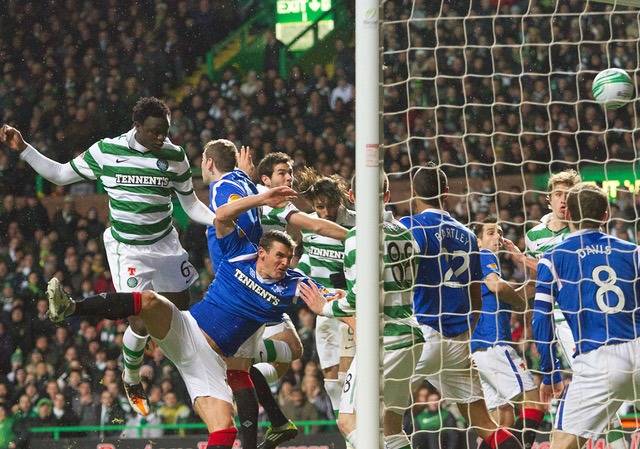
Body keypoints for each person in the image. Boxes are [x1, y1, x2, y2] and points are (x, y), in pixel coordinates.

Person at [1, 97, 217, 416]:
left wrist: (217, 219)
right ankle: (131, 377)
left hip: (165, 243)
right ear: (138, 126)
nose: (162, 138)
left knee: (179, 309)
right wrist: (24, 148)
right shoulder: (106, 152)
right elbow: (61, 175)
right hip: (128, 248)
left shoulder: (174, 156)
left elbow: (191, 204)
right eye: (156, 132)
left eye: (166, 132)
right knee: (140, 314)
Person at [400, 163, 522, 449]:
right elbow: (475, 295)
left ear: (414, 193)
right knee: (485, 424)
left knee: (376, 413)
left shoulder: (409, 227)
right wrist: (467, 329)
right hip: (458, 338)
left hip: (422, 334)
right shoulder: (468, 235)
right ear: (446, 192)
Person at [300, 174, 424, 449]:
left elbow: (358, 300)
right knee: (391, 429)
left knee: (347, 421)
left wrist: (326, 307)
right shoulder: (406, 234)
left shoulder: (358, 236)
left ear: (352, 198)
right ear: (388, 196)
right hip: (410, 336)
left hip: (382, 341)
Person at [532, 182, 640, 449]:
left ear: (567, 214)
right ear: (606, 216)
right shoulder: (633, 252)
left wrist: (550, 373)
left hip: (598, 361)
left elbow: (540, 320)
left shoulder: (552, 258)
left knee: (561, 442)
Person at [470, 218, 543, 449]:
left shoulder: (473, 263)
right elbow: (497, 286)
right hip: (494, 343)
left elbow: (525, 291)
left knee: (503, 417)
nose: (497, 237)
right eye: (490, 232)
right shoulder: (484, 256)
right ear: (478, 240)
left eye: (500, 232)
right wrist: (519, 304)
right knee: (533, 400)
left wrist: (523, 260)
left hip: (476, 350)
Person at [295, 168, 356, 416]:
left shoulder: (356, 222)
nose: (326, 212)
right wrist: (297, 277)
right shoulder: (309, 225)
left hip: (350, 307)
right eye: (320, 206)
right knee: (332, 380)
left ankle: (361, 429)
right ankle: (348, 430)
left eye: (331, 205)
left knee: (350, 374)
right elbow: (309, 259)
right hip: (323, 308)